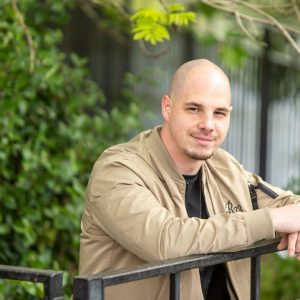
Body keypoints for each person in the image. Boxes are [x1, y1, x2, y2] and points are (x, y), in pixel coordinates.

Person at [79, 59, 300, 300]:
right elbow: (165, 241)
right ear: (167, 107)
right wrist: (272, 220)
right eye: (194, 109)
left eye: (219, 113)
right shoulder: (117, 169)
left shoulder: (223, 166)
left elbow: (285, 205)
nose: (207, 124)